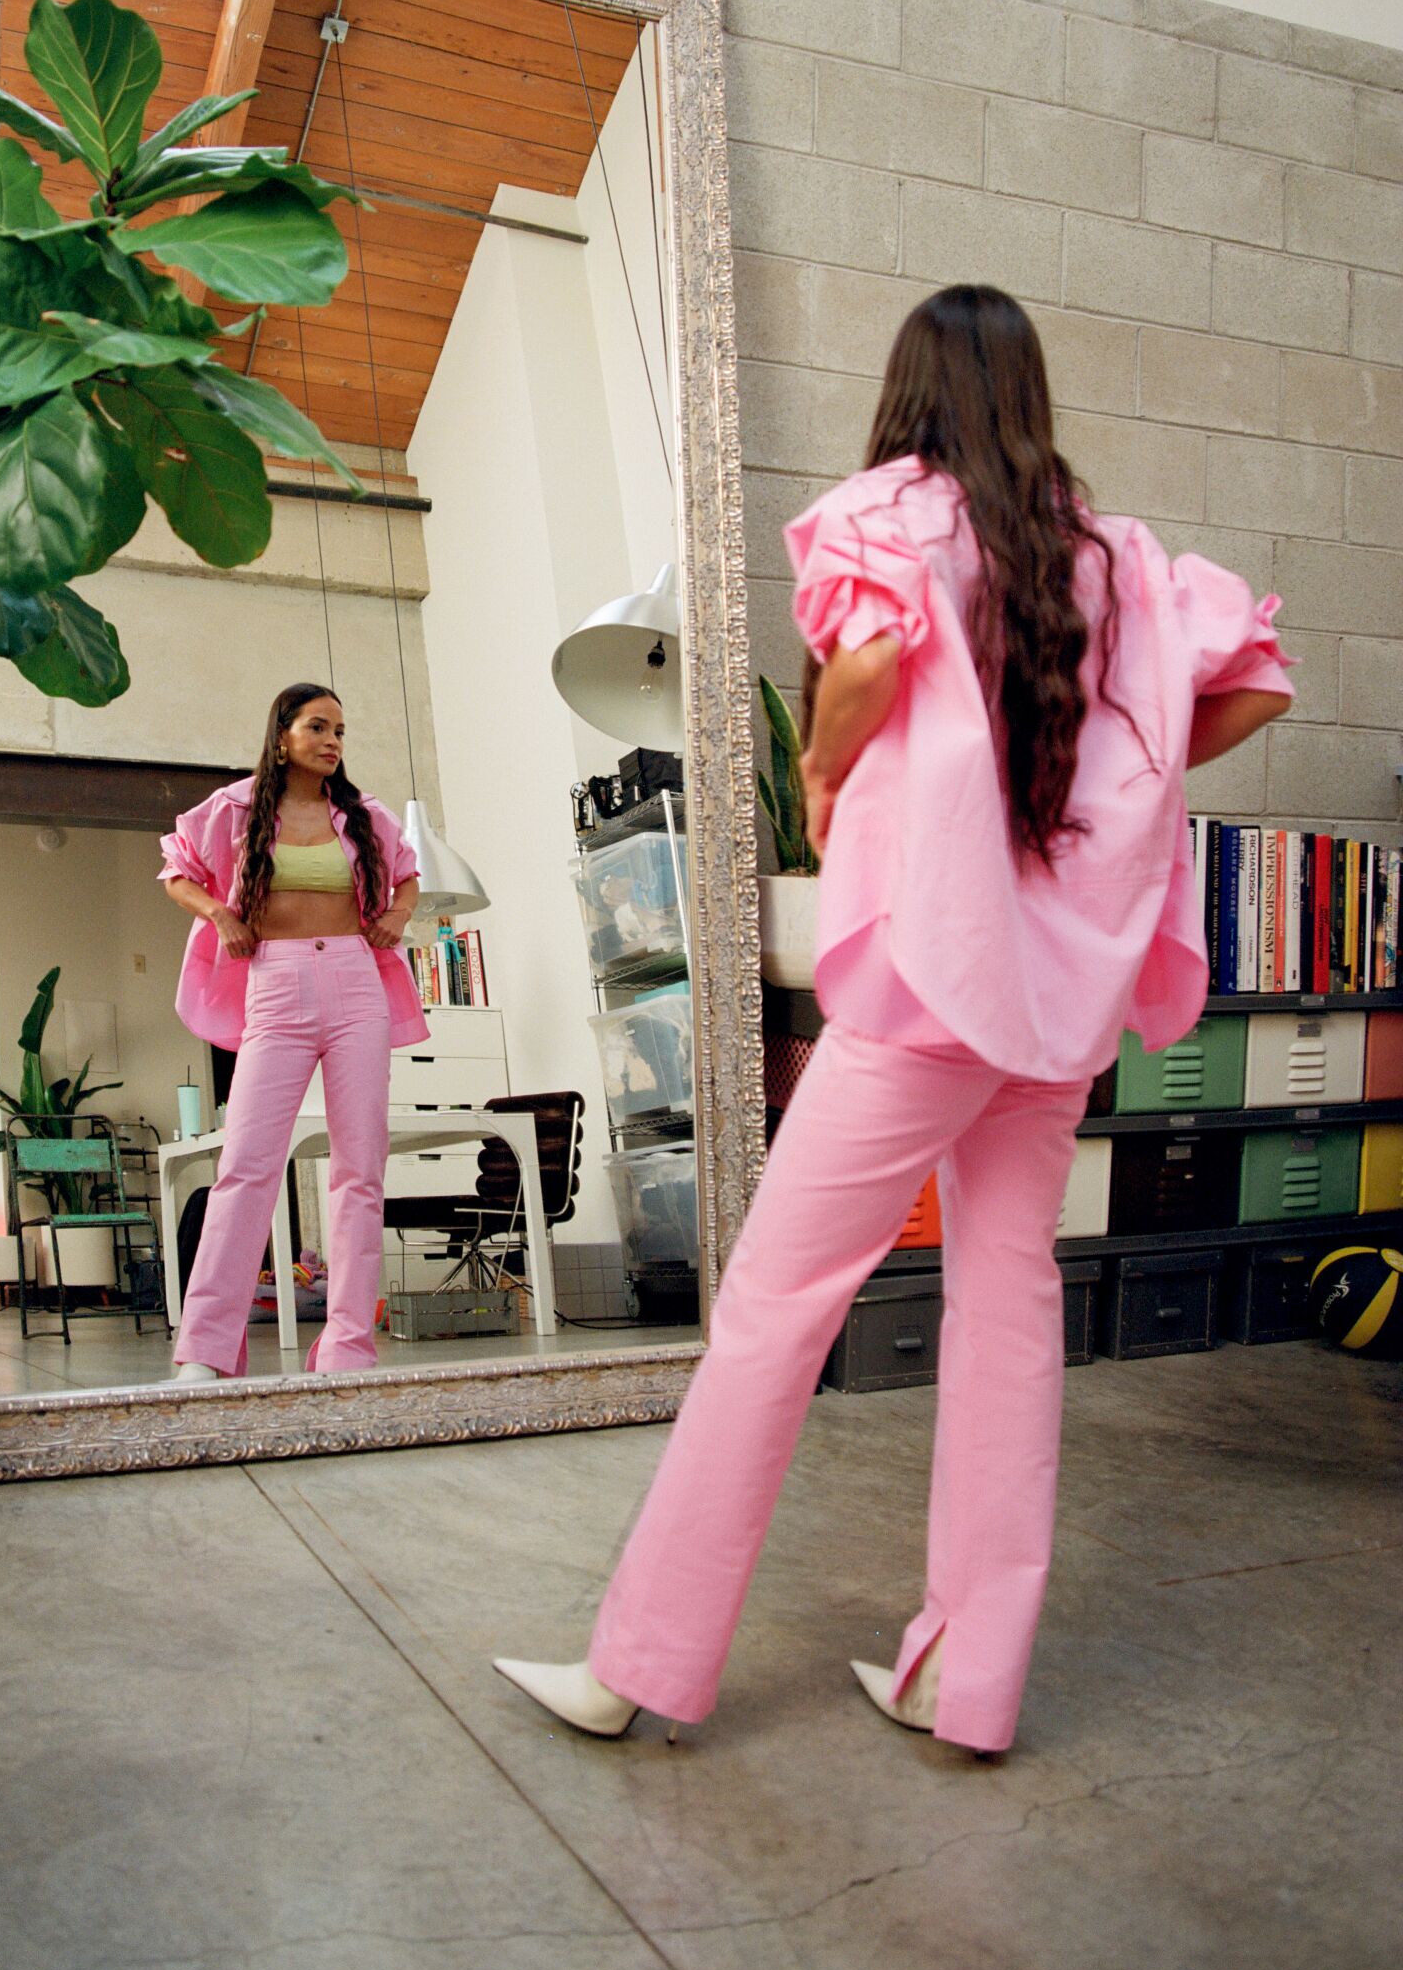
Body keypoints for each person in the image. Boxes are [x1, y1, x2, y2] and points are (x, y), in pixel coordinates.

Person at [495, 283, 1293, 1753]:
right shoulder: (1116, 559)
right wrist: (1142, 776)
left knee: (773, 1310)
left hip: (937, 986)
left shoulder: (902, 514)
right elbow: (1249, 694)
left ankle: (642, 1664)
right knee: (1011, 1313)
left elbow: (859, 669)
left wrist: (817, 771)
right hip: (1057, 1016)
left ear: (913, 390)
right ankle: (966, 1685)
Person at [159, 683, 424, 1380]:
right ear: (283, 736)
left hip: (354, 985)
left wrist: (397, 915)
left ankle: (347, 1348)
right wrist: (221, 915)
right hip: (275, 987)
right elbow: (177, 872)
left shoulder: (364, 816)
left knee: (359, 1170)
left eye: (341, 729)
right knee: (245, 1166)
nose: (333, 740)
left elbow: (408, 879)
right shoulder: (236, 808)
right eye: (318, 726)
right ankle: (208, 1352)